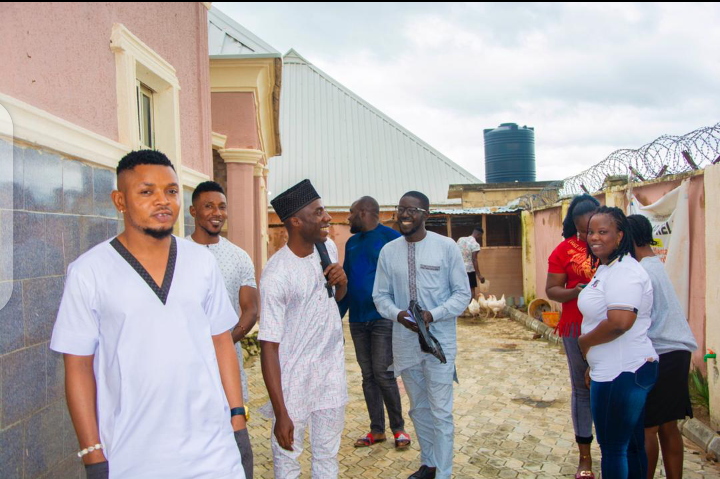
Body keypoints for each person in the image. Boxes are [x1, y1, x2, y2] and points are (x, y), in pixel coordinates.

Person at [50, 150, 247, 479]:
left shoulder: (202, 262)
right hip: (132, 456)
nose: (163, 201)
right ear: (120, 200)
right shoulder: (89, 272)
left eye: (171, 191)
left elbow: (221, 342)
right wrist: (92, 453)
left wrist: (237, 418)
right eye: (146, 191)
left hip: (214, 453)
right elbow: (78, 367)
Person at [373, 191, 472, 479]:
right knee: (418, 409)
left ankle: (444, 473)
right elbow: (380, 296)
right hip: (405, 342)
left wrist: (433, 314)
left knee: (441, 411)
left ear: (425, 215)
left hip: (438, 343)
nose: (405, 214)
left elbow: (462, 294)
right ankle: (429, 464)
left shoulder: (446, 247)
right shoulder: (388, 251)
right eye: (401, 208)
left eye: (412, 210)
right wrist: (398, 314)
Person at [259, 179, 349, 479]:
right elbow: (268, 346)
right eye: (318, 212)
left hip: (331, 376)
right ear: (296, 221)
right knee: (287, 462)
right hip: (293, 384)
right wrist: (280, 412)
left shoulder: (328, 248)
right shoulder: (276, 274)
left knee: (327, 458)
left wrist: (342, 283)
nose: (327, 217)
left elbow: (335, 299)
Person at [578, 206, 659, 479]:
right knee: (632, 446)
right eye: (591, 232)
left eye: (603, 232)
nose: (594, 237)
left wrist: (584, 343)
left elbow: (620, 322)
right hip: (615, 369)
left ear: (620, 235)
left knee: (613, 449)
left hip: (622, 372)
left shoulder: (625, 271)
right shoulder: (608, 268)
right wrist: (593, 363)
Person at [188, 180, 259, 479]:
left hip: (228, 362)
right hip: (187, 365)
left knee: (235, 438)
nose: (217, 213)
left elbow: (251, 310)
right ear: (193, 211)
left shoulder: (239, 256)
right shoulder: (176, 253)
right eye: (208, 206)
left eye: (222, 206)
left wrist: (223, 342)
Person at [627, 215, 697, 479]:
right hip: (678, 351)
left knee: (648, 427)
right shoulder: (654, 263)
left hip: (662, 352)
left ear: (629, 238)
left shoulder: (641, 271)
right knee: (669, 426)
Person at [338, 196, 411, 449]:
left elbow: (405, 278)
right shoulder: (351, 243)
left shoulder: (391, 239)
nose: (348, 217)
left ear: (363, 212)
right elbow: (347, 282)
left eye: (351, 212)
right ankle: (376, 430)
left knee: (383, 372)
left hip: (383, 319)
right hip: (357, 320)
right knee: (368, 376)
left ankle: (398, 429)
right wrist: (336, 318)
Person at [545, 194, 600, 479]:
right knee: (582, 388)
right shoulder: (564, 250)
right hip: (576, 327)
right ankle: (585, 458)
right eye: (582, 231)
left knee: (609, 387)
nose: (589, 237)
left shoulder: (617, 246)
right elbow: (552, 290)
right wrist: (575, 292)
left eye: (593, 229)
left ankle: (614, 450)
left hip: (613, 327)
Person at [456, 226, 485, 298]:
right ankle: (471, 304)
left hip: (459, 269)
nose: (479, 238)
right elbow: (474, 259)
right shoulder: (475, 244)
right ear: (478, 235)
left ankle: (462, 304)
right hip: (469, 270)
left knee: (460, 289)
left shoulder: (460, 239)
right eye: (480, 236)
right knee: (471, 289)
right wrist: (479, 275)